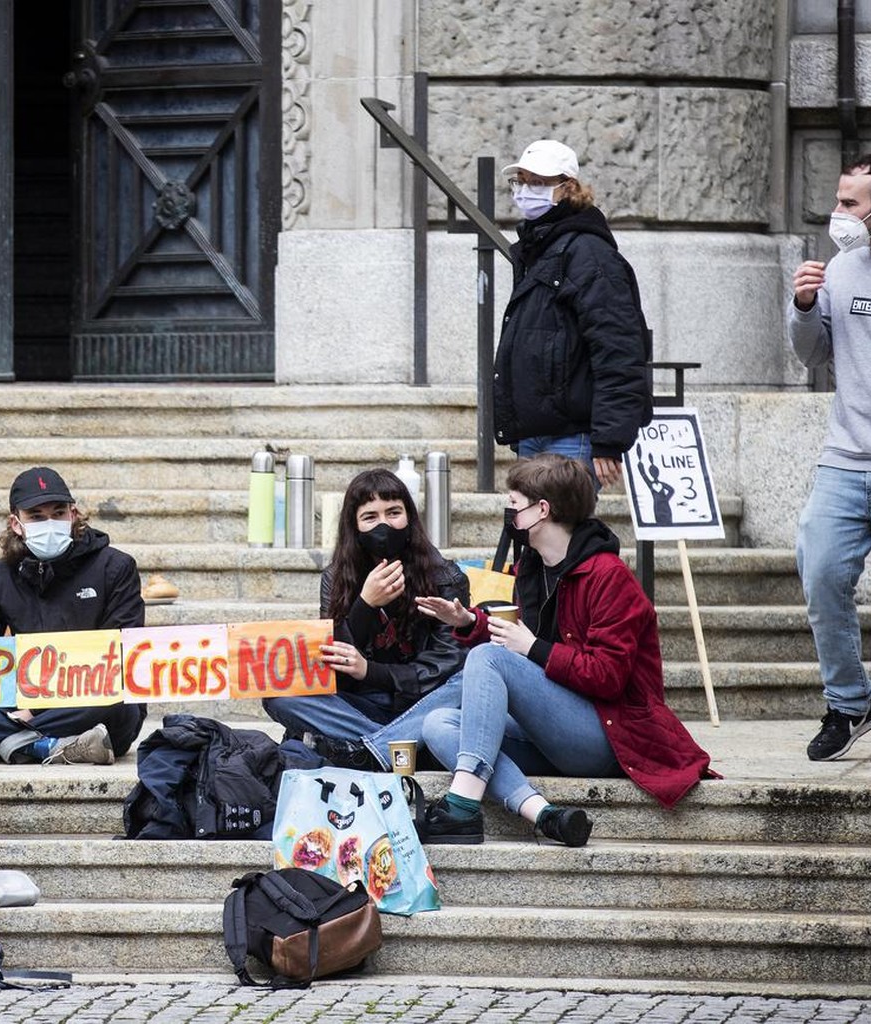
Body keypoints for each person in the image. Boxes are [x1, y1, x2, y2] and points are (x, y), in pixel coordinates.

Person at [414, 454, 712, 847]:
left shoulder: (608, 576)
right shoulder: (534, 568)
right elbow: (523, 647)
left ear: (543, 509)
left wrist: (532, 647)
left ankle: (462, 808)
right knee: (438, 724)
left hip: (610, 733)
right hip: (556, 730)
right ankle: (543, 812)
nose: (509, 514)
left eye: (514, 505)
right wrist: (469, 623)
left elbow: (607, 677)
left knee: (487, 658)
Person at [789, 153, 871, 764]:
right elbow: (812, 357)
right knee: (820, 578)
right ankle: (849, 703)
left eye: (849, 203)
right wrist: (805, 306)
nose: (837, 213)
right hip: (843, 458)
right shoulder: (840, 268)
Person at [0, 467, 146, 764]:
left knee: (120, 701)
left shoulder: (115, 567)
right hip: (25, 700)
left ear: (73, 515)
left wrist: (34, 712)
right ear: (16, 523)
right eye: (36, 516)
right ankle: (48, 746)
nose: (50, 523)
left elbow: (123, 657)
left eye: (58, 513)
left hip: (91, 700)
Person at [261, 468, 467, 769]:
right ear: (355, 528)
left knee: (471, 674)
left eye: (394, 512)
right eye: (371, 517)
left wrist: (370, 671)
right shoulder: (336, 578)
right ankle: (400, 747)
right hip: (359, 709)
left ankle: (372, 750)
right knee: (279, 695)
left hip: (424, 705)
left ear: (409, 518)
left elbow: (446, 665)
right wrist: (365, 605)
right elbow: (330, 668)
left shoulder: (445, 576)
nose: (384, 525)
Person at [495, 139, 651, 488]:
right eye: (520, 180)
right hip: (537, 433)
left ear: (568, 189)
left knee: (563, 537)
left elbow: (620, 349)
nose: (524, 191)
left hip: (573, 436)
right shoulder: (540, 247)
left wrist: (608, 439)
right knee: (539, 538)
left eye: (537, 182)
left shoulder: (588, 253)